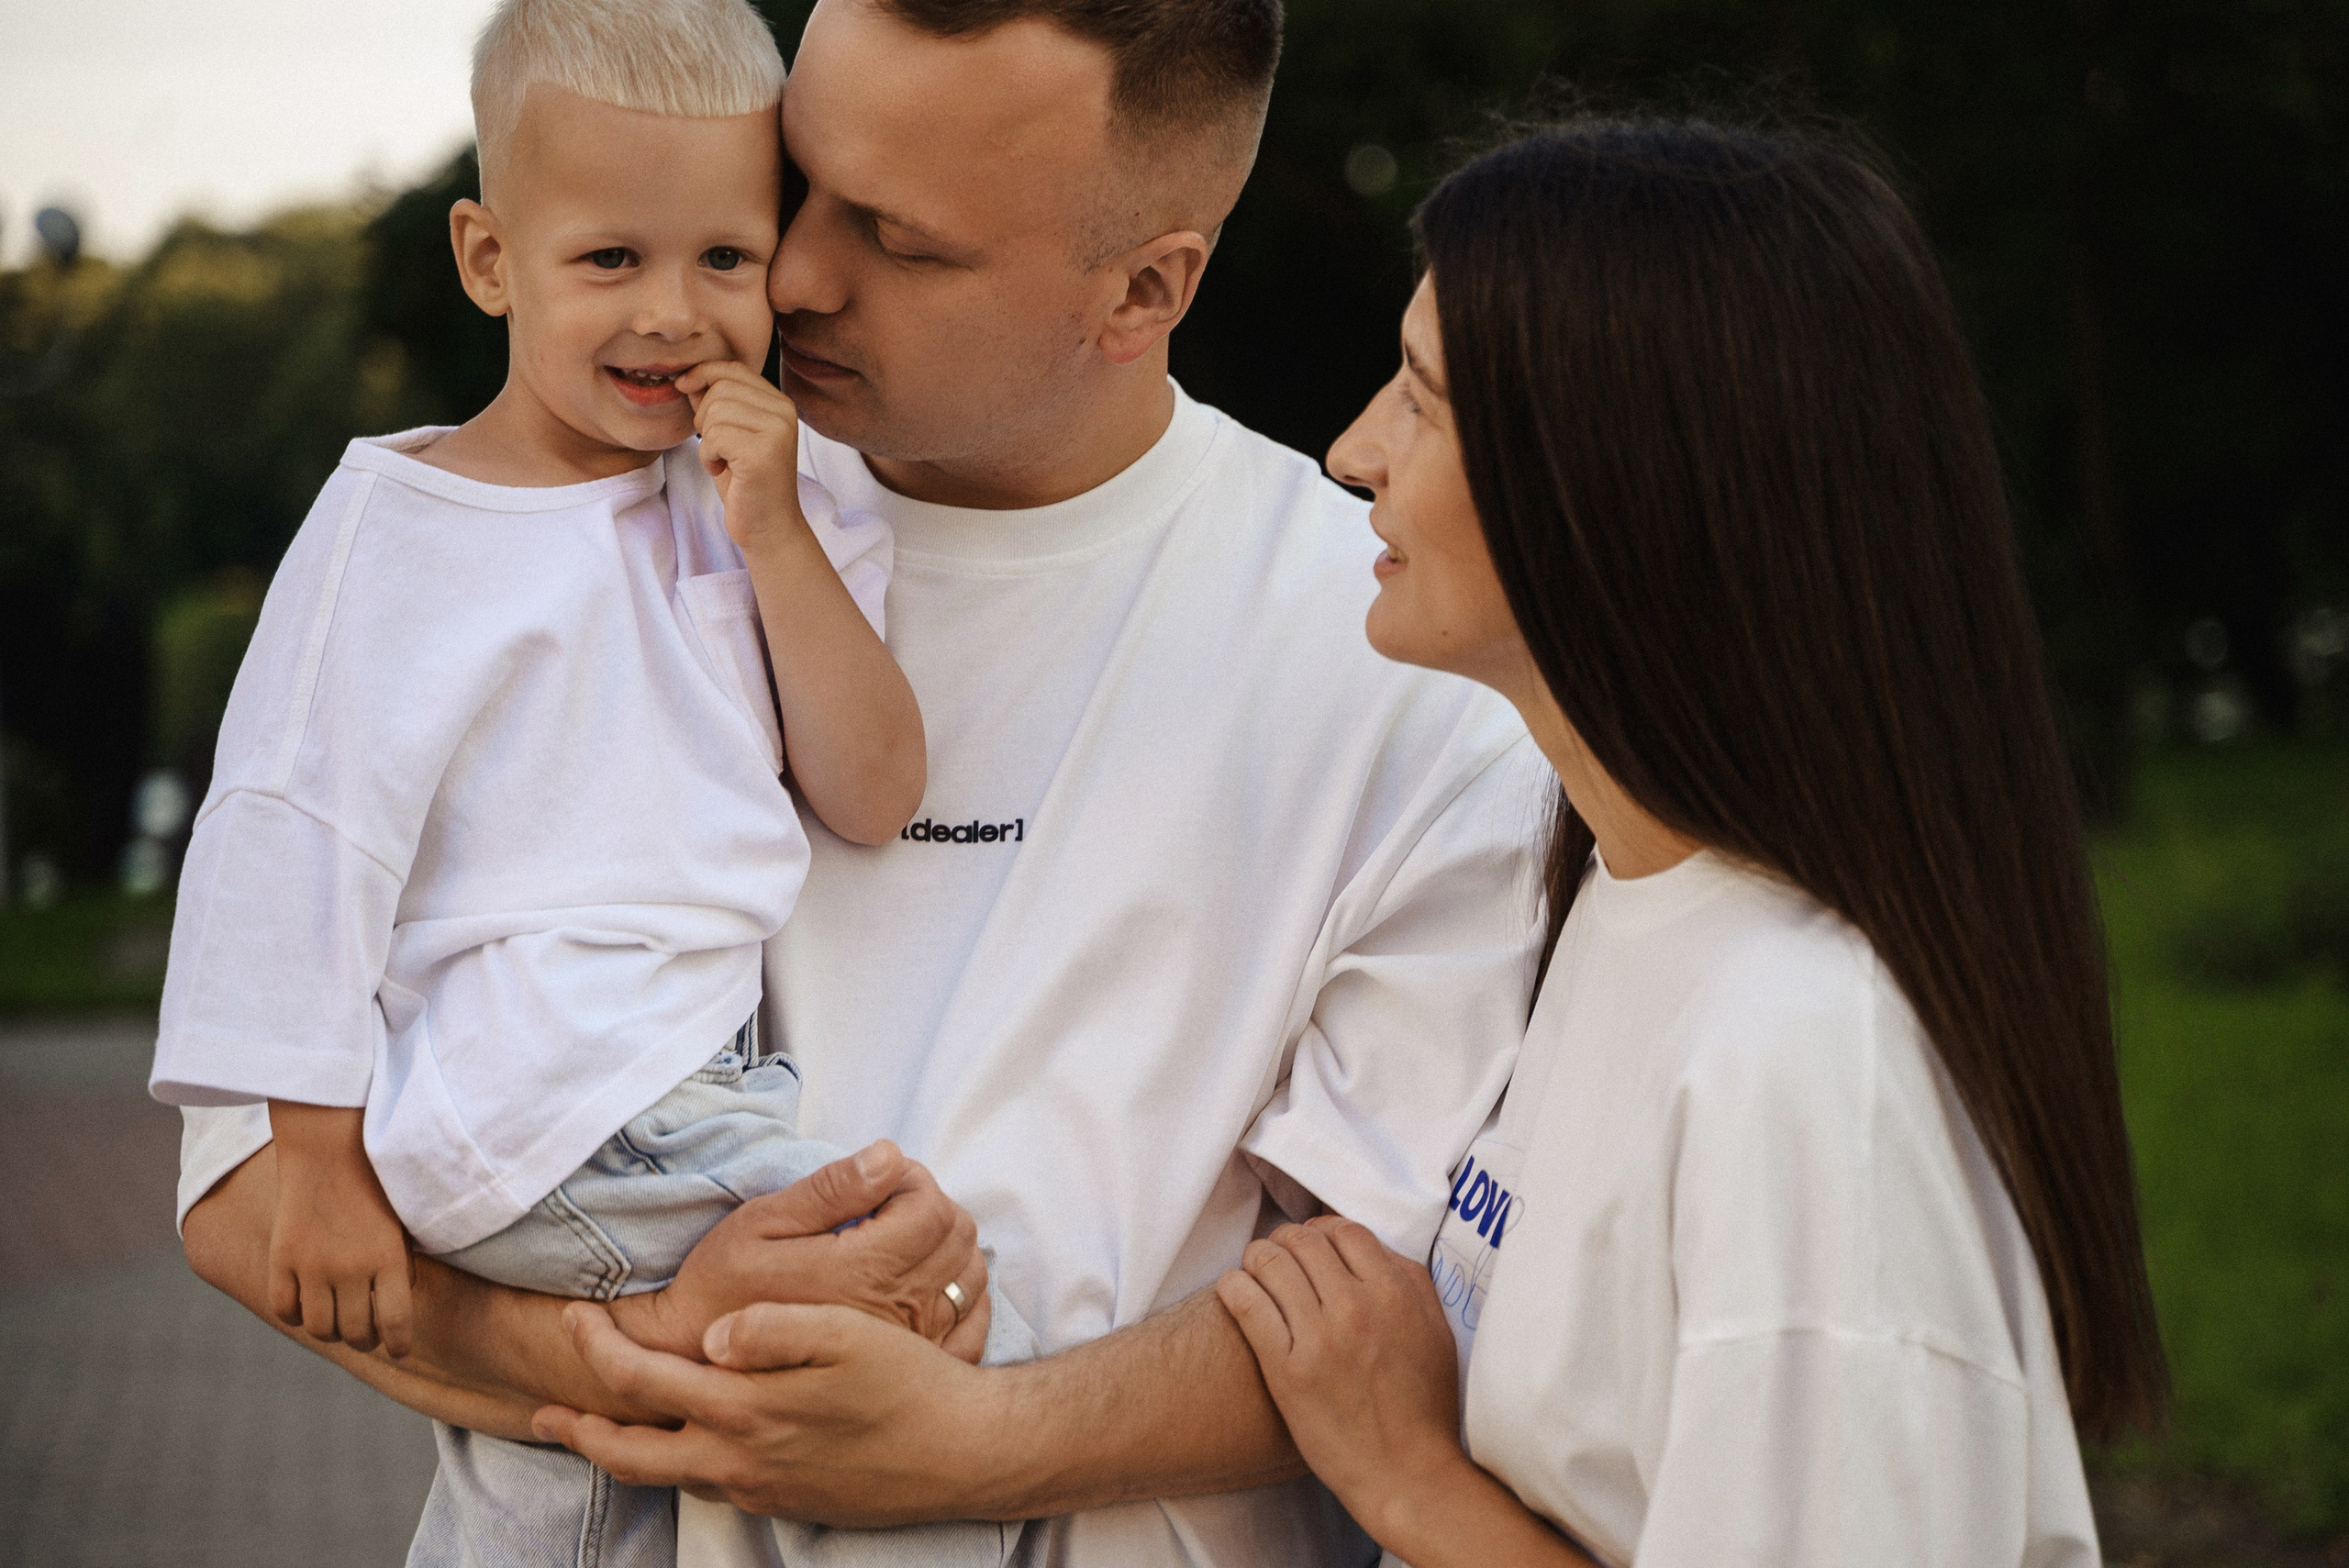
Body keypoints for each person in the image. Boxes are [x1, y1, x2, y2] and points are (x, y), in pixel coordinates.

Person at [175, 2, 1545, 1563]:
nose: (795, 275)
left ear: (1147, 287)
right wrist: (645, 1349)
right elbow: (244, 1198)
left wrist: (972, 1441)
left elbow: (1389, 1312)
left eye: (899, 238)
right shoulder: (592, 515)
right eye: (794, 188)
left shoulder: (1406, 679)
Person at [150, 2, 1039, 1563]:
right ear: (492, 261)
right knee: (921, 1336)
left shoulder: (783, 500)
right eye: (609, 261)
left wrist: (772, 535)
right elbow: (293, 840)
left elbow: (875, 785)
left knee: (587, 1490)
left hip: (677, 1093)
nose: (674, 314)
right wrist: (312, 1160)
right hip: (550, 1096)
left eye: (725, 259)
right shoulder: (404, 530)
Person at [1215, 120, 2171, 1566]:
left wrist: (1407, 1476)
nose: (1354, 451)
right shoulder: (1629, 898)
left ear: (1607, 482)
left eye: (1421, 398)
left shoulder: (1804, 1066)